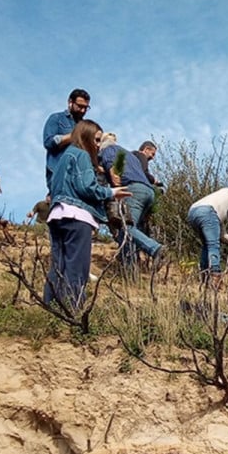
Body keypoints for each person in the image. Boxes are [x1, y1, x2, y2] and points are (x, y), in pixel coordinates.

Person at [44, 119, 130, 312]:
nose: (99, 145)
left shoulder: (64, 157)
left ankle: (50, 309)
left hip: (57, 215)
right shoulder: (81, 155)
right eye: (97, 140)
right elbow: (87, 187)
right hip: (77, 217)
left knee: (58, 267)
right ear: (87, 137)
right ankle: (73, 311)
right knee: (77, 267)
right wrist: (112, 193)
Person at [97, 132, 163, 265]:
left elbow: (115, 177)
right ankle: (130, 272)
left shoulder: (108, 149)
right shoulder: (127, 154)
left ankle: (155, 249)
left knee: (125, 228)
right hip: (148, 192)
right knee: (131, 232)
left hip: (133, 191)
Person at [187, 187, 228, 282]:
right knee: (213, 245)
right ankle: (215, 275)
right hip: (207, 211)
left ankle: (204, 276)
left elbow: (222, 235)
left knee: (207, 245)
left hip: (192, 214)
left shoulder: (218, 204)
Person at [43, 88, 90, 189]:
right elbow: (48, 142)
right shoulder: (56, 118)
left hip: (80, 176)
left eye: (86, 108)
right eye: (80, 106)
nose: (83, 110)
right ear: (70, 102)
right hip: (60, 174)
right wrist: (74, 135)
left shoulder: (86, 126)